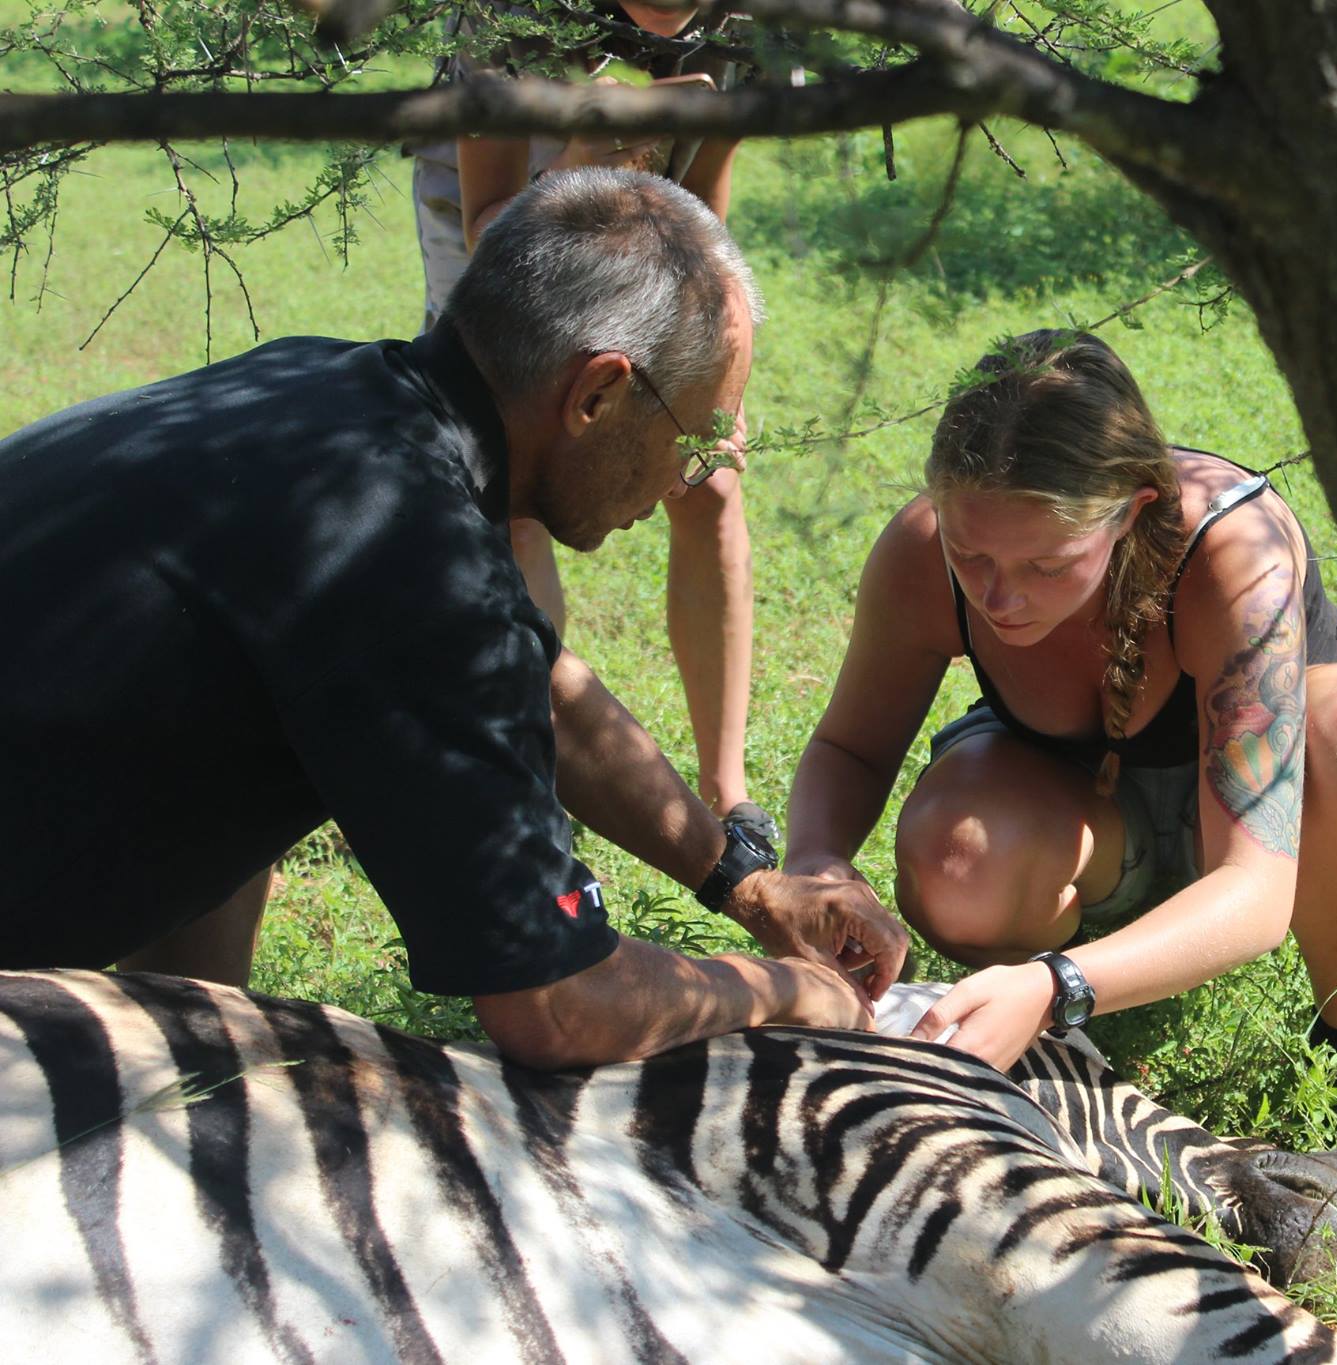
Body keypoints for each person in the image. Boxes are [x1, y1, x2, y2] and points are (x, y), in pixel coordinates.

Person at [0, 168, 907, 1068]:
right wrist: (788, 990)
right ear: (597, 395)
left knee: (235, 710)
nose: (693, 477)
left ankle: (188, 1055)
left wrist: (746, 882)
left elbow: (543, 688)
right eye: (696, 434)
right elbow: (557, 1003)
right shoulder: (406, 561)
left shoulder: (327, 385)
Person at [782, 331, 1337, 1207]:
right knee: (957, 855)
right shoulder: (921, 551)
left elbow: (1255, 891)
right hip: (1085, 815)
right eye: (970, 556)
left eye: (1045, 565)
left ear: (1132, 511)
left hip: (1273, 824)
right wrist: (817, 866)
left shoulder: (1231, 551)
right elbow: (849, 748)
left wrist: (1057, 984)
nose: (999, 596)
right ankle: (1055, 1022)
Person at [412, 0, 767, 844]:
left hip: (659, 225)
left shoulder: (746, 22)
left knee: (707, 485)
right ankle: (523, 766)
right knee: (513, 490)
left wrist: (716, 373)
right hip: (498, 223)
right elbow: (487, 217)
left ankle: (729, 790)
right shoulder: (507, 17)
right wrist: (578, 159)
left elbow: (704, 202)